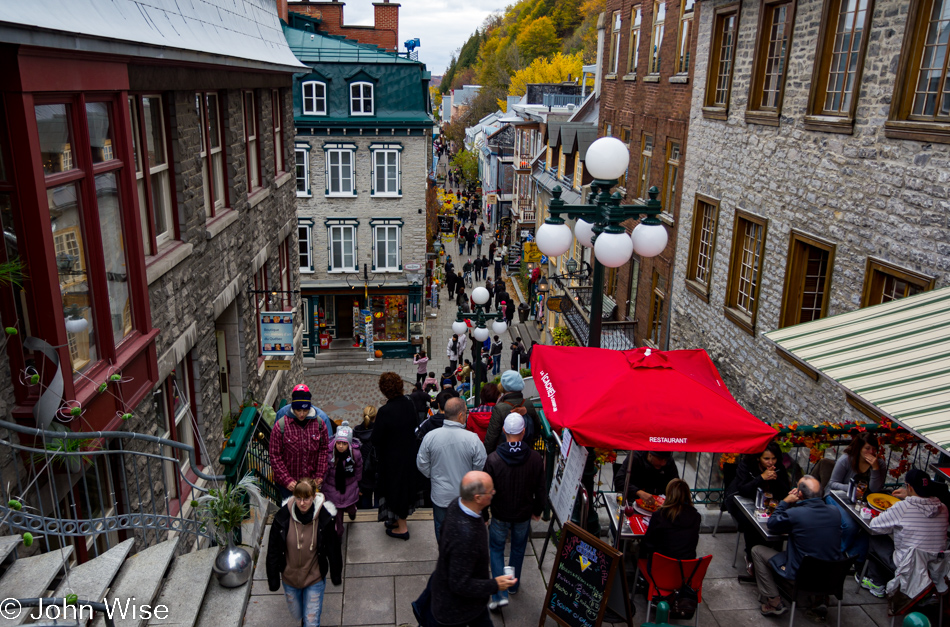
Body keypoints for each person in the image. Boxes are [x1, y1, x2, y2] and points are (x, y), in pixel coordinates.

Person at [428, 471, 516, 627]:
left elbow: (443, 538)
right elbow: (460, 584)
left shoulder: (457, 504)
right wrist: (495, 585)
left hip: (471, 604)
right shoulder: (466, 536)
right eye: (491, 491)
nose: (494, 493)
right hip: (458, 611)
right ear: (478, 498)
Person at [753, 475, 842, 616]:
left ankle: (774, 602)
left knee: (757, 551)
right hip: (831, 577)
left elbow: (772, 524)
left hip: (801, 576)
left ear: (799, 494)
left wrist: (785, 502)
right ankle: (820, 598)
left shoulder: (796, 514)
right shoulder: (835, 511)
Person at [484, 414, 545, 610]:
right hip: (523, 514)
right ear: (524, 432)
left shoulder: (493, 458)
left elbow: (485, 490)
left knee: (496, 549)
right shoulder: (535, 458)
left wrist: (485, 514)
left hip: (500, 513)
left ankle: (500, 592)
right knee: (518, 549)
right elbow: (541, 488)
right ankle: (513, 585)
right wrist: (538, 510)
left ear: (503, 431)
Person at [861, 469, 950, 598]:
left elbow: (874, 526)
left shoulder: (903, 507)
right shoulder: (943, 508)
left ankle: (877, 583)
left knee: (875, 537)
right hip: (936, 567)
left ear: (908, 486)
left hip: (908, 567)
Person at [266, 478, 342, 626]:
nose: (302, 503)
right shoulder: (282, 518)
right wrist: (273, 577)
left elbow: (333, 548)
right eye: (298, 498)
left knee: (311, 622)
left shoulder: (325, 518)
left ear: (313, 497)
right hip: (290, 579)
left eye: (306, 498)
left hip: (314, 578)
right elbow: (273, 549)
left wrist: (336, 573)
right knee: (297, 613)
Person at [417, 397, 487, 541]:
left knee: (441, 529)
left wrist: (434, 475)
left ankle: (445, 555)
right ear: (461, 415)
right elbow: (480, 465)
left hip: (440, 495)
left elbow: (421, 463)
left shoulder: (430, 437)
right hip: (466, 496)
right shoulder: (473, 439)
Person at [725, 442, 791, 575]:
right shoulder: (746, 466)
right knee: (750, 523)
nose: (770, 462)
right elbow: (743, 489)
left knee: (780, 521)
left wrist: (776, 479)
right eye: (766, 459)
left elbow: (785, 492)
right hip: (742, 502)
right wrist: (761, 478)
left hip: (768, 503)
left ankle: (774, 556)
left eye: (773, 458)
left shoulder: (778, 468)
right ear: (758, 458)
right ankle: (750, 555)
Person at [372, 372, 421, 540]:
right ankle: (397, 522)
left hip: (392, 458)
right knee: (404, 488)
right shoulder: (409, 403)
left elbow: (376, 438)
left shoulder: (385, 411)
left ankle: (402, 528)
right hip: (409, 454)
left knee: (395, 490)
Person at [270, 386, 330, 499]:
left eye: (305, 410)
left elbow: (323, 450)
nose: (302, 414)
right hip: (288, 486)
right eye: (298, 410)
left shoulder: (320, 424)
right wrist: (287, 480)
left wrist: (319, 475)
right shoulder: (280, 426)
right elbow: (275, 456)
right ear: (293, 407)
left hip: (311, 484)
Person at [641, 478, 701, 561]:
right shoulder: (696, 516)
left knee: (642, 551)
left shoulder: (660, 515)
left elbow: (647, 544)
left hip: (661, 567)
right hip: (686, 569)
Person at [484, 371, 541, 454]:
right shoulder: (528, 404)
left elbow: (491, 437)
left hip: (504, 453)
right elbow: (537, 428)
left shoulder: (499, 408)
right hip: (525, 451)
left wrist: (489, 456)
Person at [322, 422, 362, 537]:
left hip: (349, 487)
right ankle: (338, 534)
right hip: (333, 489)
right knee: (337, 515)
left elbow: (359, 468)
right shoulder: (330, 455)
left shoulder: (355, 454)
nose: (340, 446)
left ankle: (352, 511)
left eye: (344, 444)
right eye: (338, 443)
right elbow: (326, 471)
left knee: (350, 507)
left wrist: (359, 483)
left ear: (348, 445)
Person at [613, 451, 680, 506]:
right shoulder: (635, 457)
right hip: (633, 502)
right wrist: (638, 492)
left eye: (665, 460)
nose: (663, 463)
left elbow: (675, 484)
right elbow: (619, 481)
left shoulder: (669, 462)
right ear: (650, 454)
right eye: (659, 459)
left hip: (660, 503)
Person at [354, 406, 377, 509]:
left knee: (365, 499)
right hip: (376, 470)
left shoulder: (356, 431)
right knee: (378, 498)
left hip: (362, 472)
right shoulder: (379, 431)